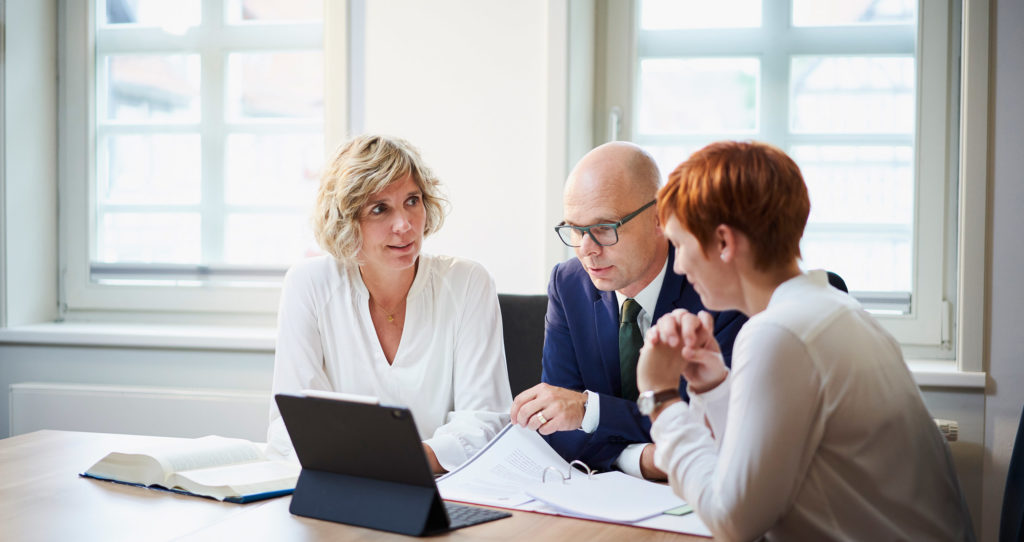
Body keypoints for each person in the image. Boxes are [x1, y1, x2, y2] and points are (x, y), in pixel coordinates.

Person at [639, 141, 974, 540]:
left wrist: (660, 397)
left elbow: (733, 522)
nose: (677, 264)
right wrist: (712, 385)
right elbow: (757, 469)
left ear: (724, 242)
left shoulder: (778, 334)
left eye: (679, 244)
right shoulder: (832, 308)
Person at [266, 134, 512, 473]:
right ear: (346, 221)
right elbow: (290, 425)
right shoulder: (309, 284)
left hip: (446, 487)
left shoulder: (468, 282)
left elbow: (486, 421)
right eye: (380, 209)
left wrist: (397, 463)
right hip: (343, 486)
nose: (405, 225)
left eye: (412, 201)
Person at [510, 141, 746, 480]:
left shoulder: (716, 289)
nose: (586, 250)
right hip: (599, 500)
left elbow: (710, 430)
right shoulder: (569, 284)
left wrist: (591, 411)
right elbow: (556, 423)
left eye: (604, 228)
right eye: (574, 229)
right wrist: (641, 459)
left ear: (659, 217)